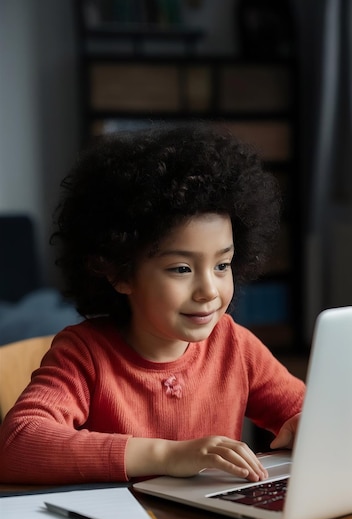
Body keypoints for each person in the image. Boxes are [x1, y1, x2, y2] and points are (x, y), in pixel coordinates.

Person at [0, 124, 305, 485]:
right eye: (181, 268)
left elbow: (303, 415)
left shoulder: (234, 346)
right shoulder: (84, 356)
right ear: (118, 273)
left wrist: (310, 426)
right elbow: (18, 443)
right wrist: (170, 454)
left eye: (222, 265)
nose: (209, 289)